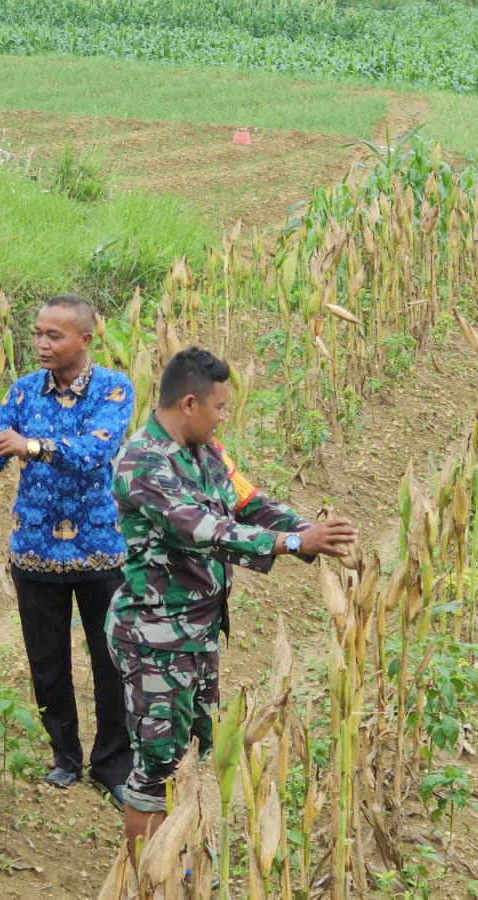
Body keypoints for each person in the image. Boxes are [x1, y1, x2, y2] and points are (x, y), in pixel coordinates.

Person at [106, 347, 358, 858]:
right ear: (190, 403)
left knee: (195, 756)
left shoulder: (210, 453)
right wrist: (290, 546)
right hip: (155, 639)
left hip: (198, 636)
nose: (224, 417)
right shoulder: (141, 464)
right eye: (220, 407)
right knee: (157, 768)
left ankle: (184, 864)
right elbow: (204, 531)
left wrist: (305, 529)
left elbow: (250, 502)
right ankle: (145, 885)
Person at [0, 295, 135, 807]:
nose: (41, 344)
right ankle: (64, 757)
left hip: (100, 547)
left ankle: (112, 765)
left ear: (85, 340)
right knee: (47, 662)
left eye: (53, 336)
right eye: (37, 333)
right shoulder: (22, 392)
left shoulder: (114, 389)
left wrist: (30, 446)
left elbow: (94, 453)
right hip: (34, 551)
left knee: (111, 661)